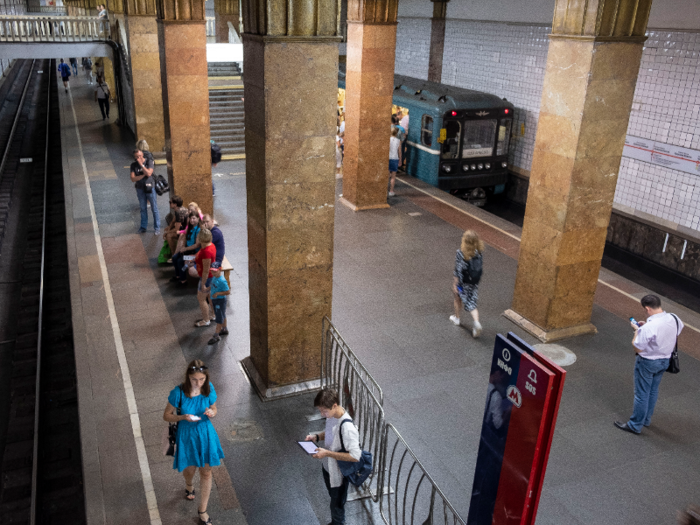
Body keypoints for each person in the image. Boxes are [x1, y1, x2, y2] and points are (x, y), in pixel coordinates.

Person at [163, 360, 224, 525]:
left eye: (202, 379)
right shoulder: (179, 393)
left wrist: (212, 412)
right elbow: (167, 415)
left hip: (205, 433)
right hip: (187, 436)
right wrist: (182, 417)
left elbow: (215, 408)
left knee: (206, 472)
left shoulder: (209, 388)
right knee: (189, 470)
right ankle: (189, 484)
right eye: (194, 380)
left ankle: (202, 510)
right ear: (188, 377)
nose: (198, 383)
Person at [614, 294, 683, 435]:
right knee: (653, 390)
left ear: (647, 308)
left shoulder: (649, 327)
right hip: (665, 360)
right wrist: (646, 329)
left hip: (647, 362)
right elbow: (674, 332)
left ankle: (635, 425)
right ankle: (646, 420)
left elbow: (637, 347)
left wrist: (637, 331)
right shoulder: (674, 318)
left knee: (641, 394)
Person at [304, 388, 360, 525]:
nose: (322, 414)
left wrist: (327, 453)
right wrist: (316, 437)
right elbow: (329, 432)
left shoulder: (348, 428)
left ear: (335, 405)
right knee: (334, 500)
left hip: (338, 474)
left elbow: (355, 456)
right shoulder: (332, 416)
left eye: (324, 411)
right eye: (320, 411)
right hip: (328, 468)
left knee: (337, 505)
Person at [450, 230, 484, 337]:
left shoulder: (461, 253)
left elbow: (458, 269)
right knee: (472, 302)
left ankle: (457, 318)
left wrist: (455, 284)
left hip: (462, 284)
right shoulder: (479, 252)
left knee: (457, 297)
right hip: (474, 283)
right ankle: (476, 322)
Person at [189, 228, 216, 327]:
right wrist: (194, 260)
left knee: (201, 298)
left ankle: (206, 320)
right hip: (210, 276)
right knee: (209, 296)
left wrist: (203, 284)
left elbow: (206, 270)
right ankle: (213, 315)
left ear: (200, 238)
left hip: (207, 277)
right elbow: (199, 254)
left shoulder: (206, 251)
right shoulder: (209, 245)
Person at [129, 149, 161, 235]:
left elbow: (149, 173)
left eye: (140, 156)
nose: (138, 158)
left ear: (143, 155)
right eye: (136, 157)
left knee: (154, 208)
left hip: (150, 187)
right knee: (143, 208)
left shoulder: (149, 162)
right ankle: (143, 227)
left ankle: (157, 227)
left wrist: (141, 165)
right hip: (140, 189)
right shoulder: (133, 165)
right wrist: (143, 175)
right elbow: (132, 178)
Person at [171, 212, 202, 284]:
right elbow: (185, 237)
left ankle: (183, 280)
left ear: (198, 218)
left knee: (180, 261)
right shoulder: (190, 227)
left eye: (194, 218)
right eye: (190, 218)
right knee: (175, 257)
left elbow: (197, 245)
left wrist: (185, 249)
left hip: (194, 254)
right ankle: (178, 276)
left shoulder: (199, 230)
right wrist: (182, 247)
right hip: (187, 251)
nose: (192, 220)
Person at [207, 263, 230, 345]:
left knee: (219, 318)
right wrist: (208, 289)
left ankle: (216, 335)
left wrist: (218, 294)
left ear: (220, 270)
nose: (213, 273)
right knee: (222, 314)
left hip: (219, 301)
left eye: (215, 271)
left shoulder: (222, 281)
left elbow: (228, 292)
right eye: (212, 271)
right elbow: (213, 286)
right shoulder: (215, 277)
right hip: (215, 300)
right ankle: (224, 329)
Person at [388, 127, 401, 198]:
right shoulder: (398, 141)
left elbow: (388, 148)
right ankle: (391, 191)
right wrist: (400, 160)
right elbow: (399, 152)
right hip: (395, 159)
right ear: (397, 133)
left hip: (388, 158)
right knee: (393, 177)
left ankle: (384, 191)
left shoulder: (388, 140)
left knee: (387, 176)